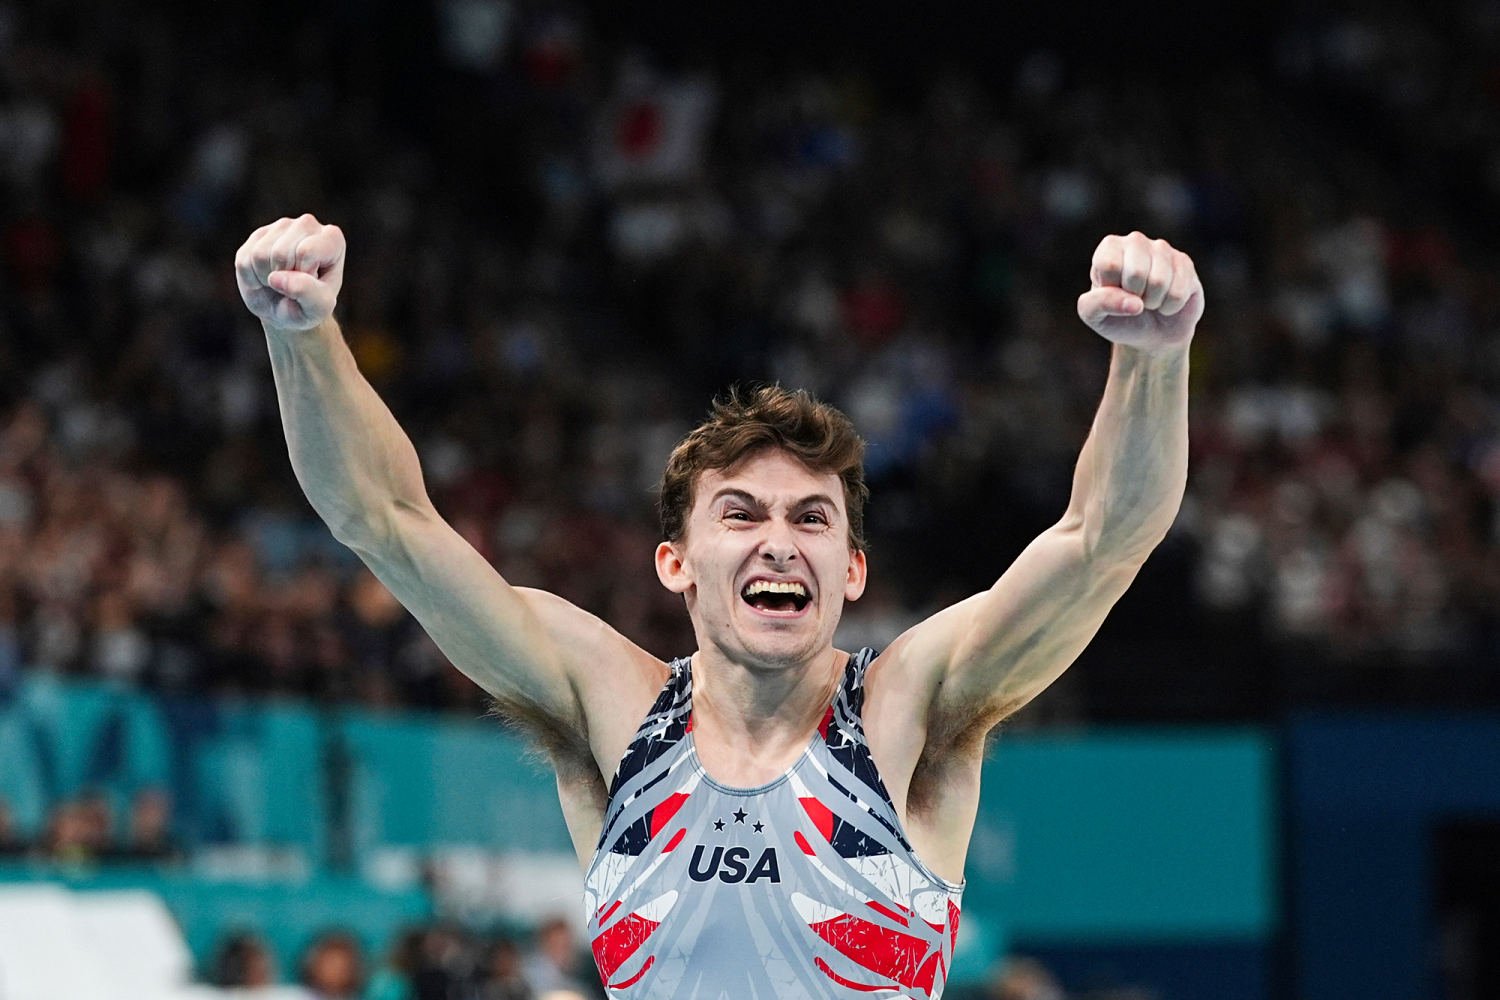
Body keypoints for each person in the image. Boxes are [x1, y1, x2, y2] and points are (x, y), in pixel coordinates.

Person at [235, 216, 1201, 999]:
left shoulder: (910, 706)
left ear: (852, 570)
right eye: (739, 514)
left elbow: (1099, 542)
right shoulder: (610, 709)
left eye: (812, 518)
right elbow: (387, 519)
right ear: (676, 563)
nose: (779, 539)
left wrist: (1154, 360)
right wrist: (303, 338)